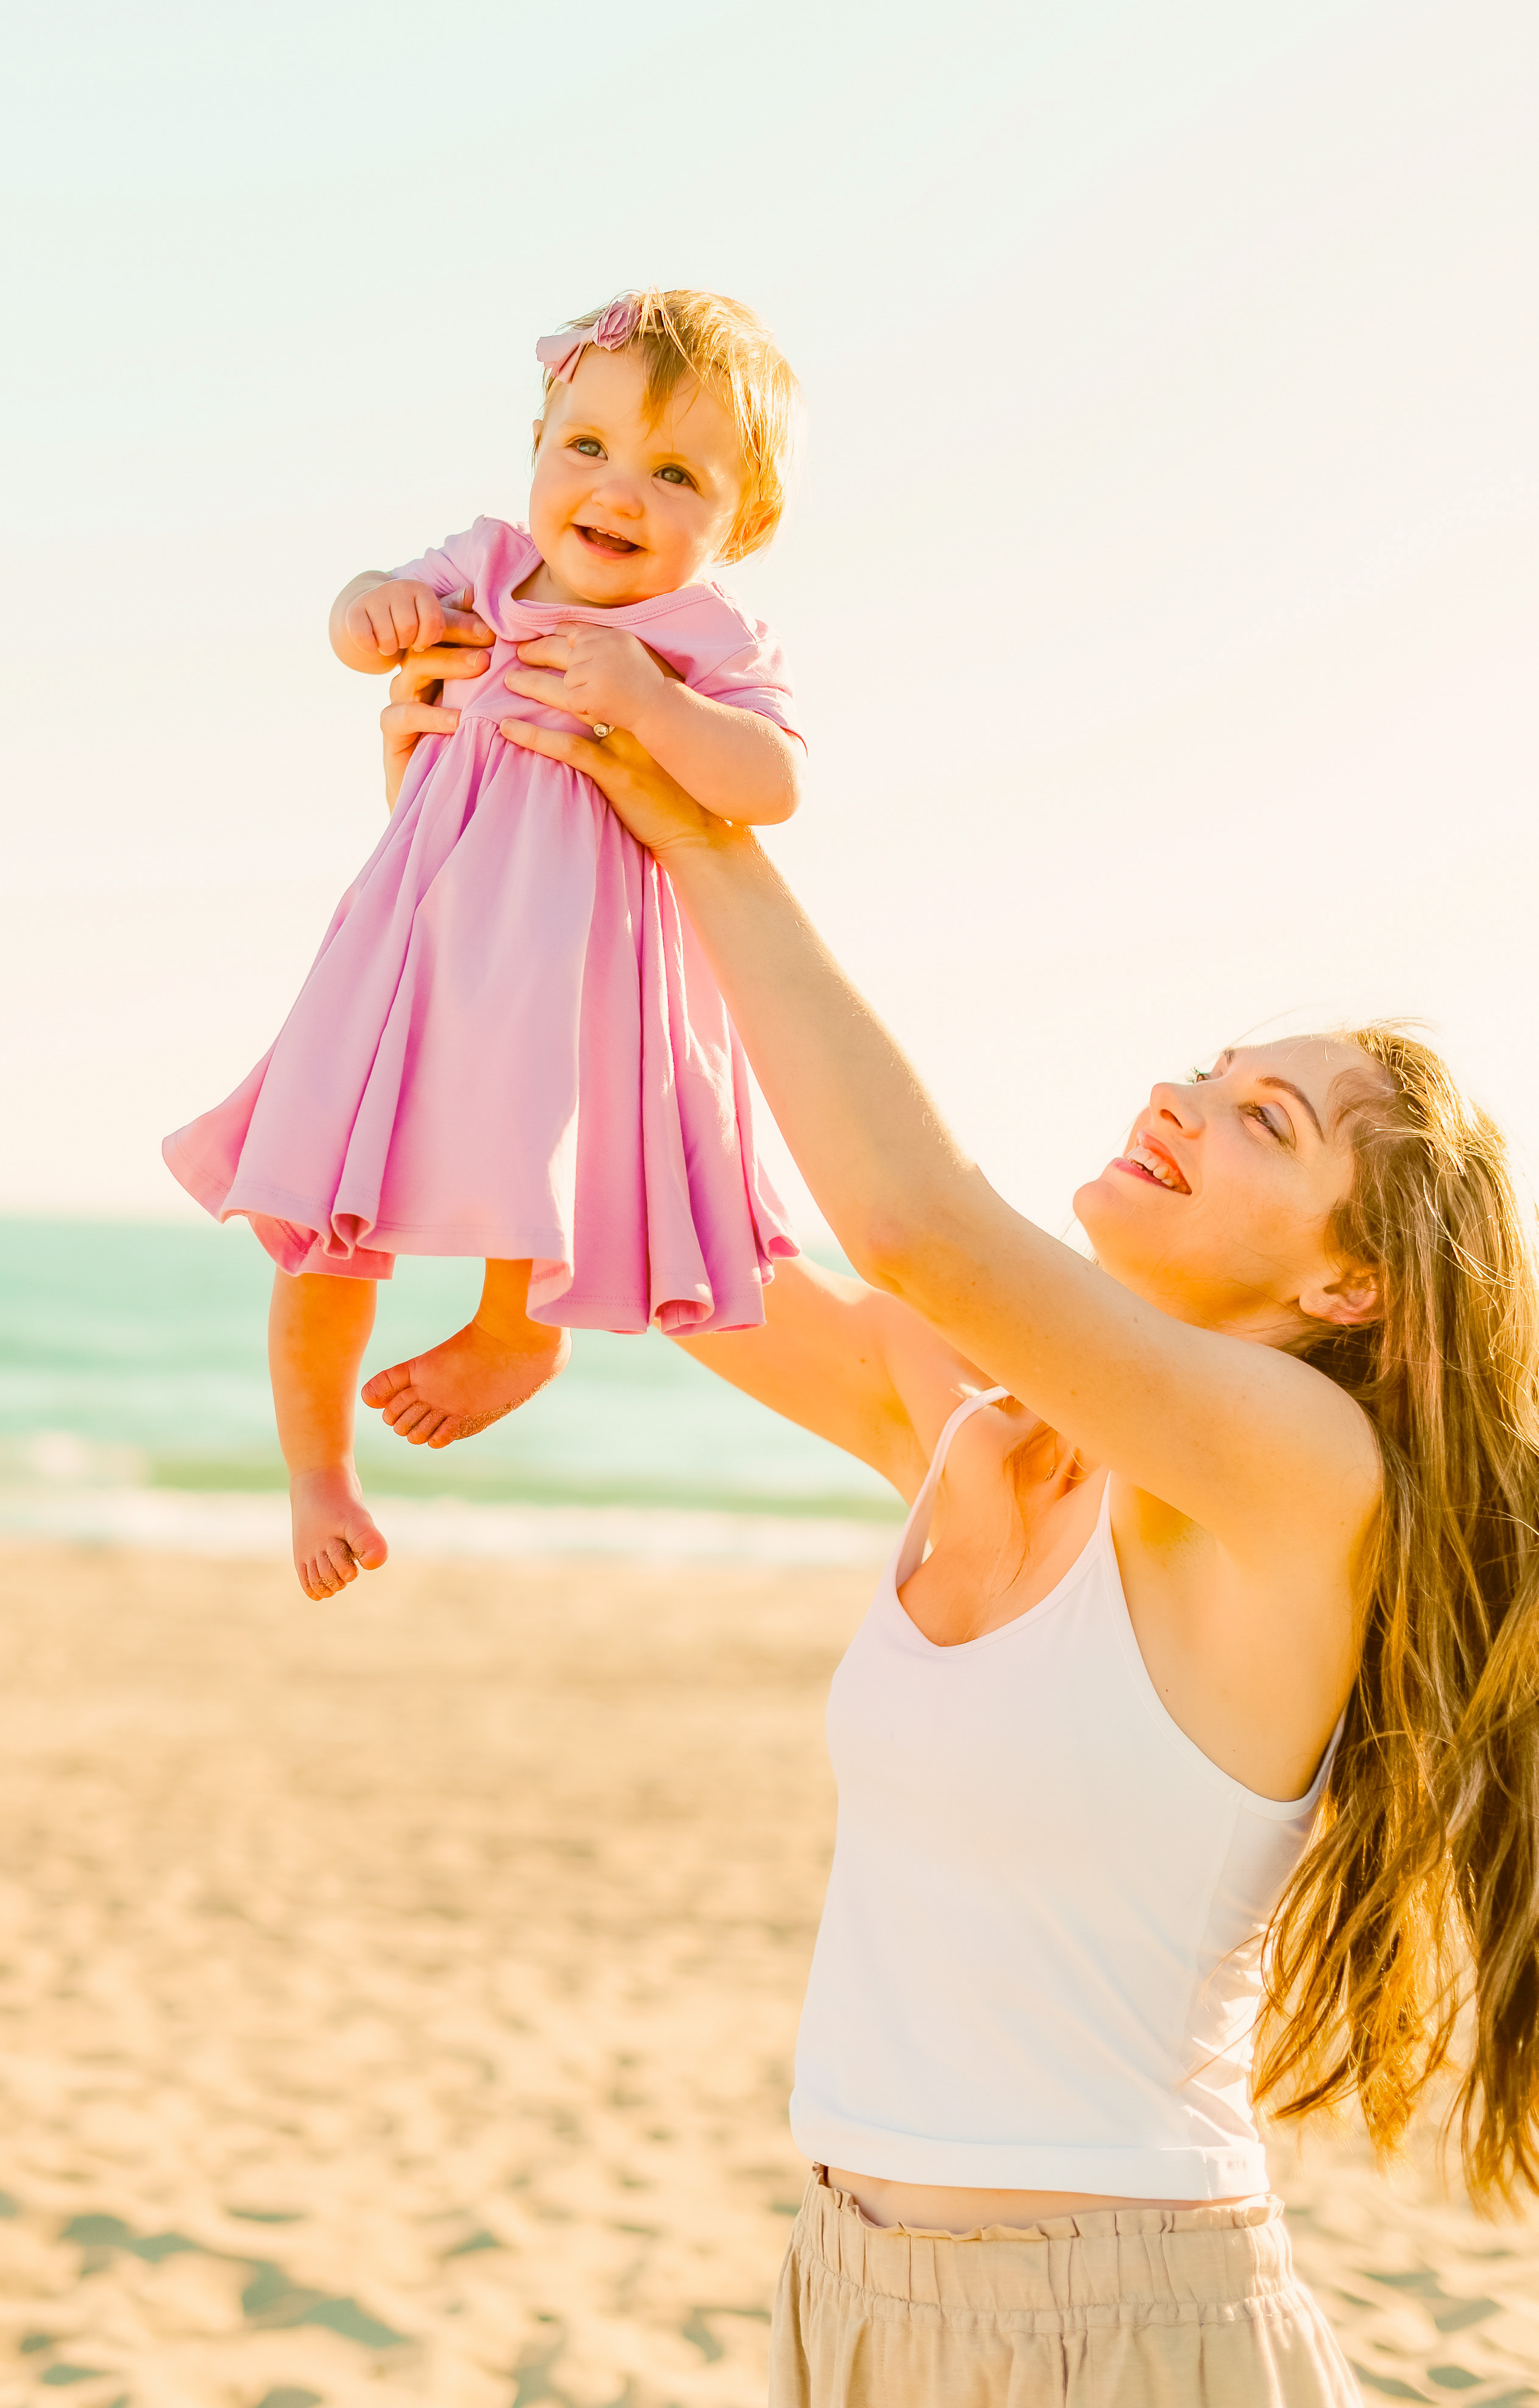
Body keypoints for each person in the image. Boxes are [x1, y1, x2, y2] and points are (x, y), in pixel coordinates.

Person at [379, 641, 1539, 2404]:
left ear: (1351, 1285)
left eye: (1265, 1120)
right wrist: (475, 836)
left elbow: (913, 1218)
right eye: (1212, 1069)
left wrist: (703, 824)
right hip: (849, 2296)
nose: (1187, 1098)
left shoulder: (1302, 1482)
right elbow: (642, 1227)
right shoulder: (978, 1418)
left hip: (1118, 2317)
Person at [164, 288, 805, 1601]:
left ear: (735, 524)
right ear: (534, 446)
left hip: (570, 962)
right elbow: (356, 618)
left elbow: (771, 780)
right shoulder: (481, 567)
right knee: (316, 1211)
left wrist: (644, 700)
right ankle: (318, 1471)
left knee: (541, 1136)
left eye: (673, 472)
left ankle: (519, 1329)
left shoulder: (697, 641)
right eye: (585, 446)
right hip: (405, 953)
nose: (615, 489)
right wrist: (375, 612)